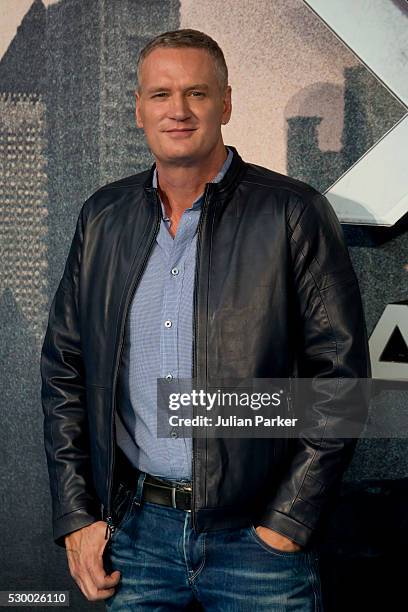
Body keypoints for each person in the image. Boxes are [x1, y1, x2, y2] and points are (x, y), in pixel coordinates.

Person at [40, 28, 371, 611]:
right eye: (161, 94)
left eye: (196, 93)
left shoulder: (292, 212)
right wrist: (77, 514)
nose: (179, 110)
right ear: (139, 109)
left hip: (256, 543)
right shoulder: (102, 217)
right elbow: (65, 372)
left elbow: (340, 383)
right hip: (134, 538)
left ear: (225, 104)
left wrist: (286, 522)